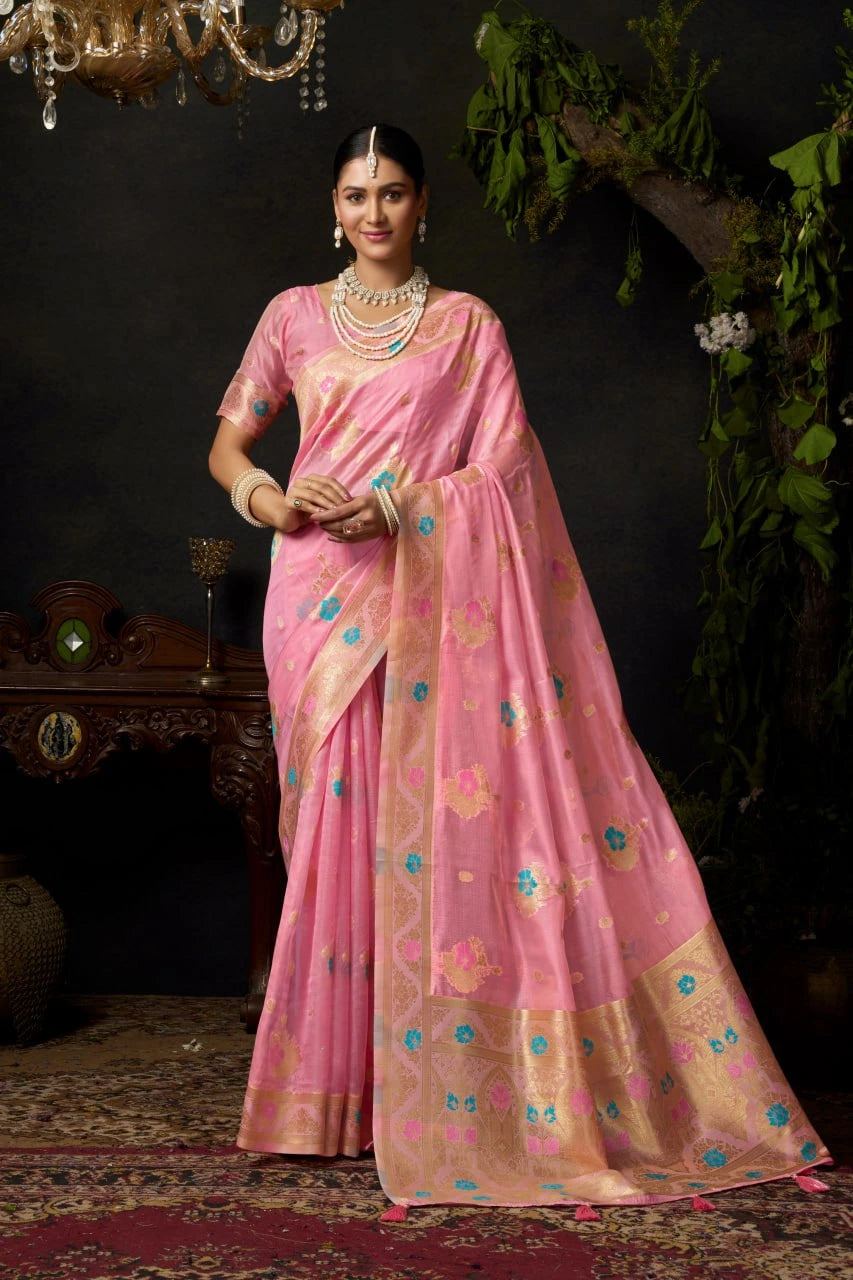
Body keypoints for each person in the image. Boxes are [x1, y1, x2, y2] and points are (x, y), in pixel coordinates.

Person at [208, 123, 830, 1213]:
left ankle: (428, 1095)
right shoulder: (291, 317)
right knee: (331, 836)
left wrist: (406, 502)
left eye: (393, 193)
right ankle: (328, 1096)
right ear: (333, 208)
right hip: (315, 597)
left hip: (428, 593)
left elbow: (499, 467)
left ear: (424, 204)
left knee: (417, 833)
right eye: (356, 195)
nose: (373, 214)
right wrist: (270, 498)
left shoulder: (464, 328)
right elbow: (229, 445)